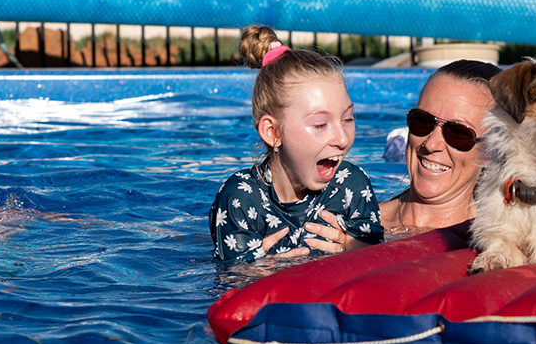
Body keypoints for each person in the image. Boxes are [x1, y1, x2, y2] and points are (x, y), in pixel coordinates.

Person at [209, 26, 384, 263]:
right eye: (321, 124)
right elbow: (228, 286)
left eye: (348, 119)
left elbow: (382, 263)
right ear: (273, 132)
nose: (342, 139)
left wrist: (354, 248)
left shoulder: (351, 186)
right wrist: (256, 271)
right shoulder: (241, 198)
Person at [379, 60, 501, 236]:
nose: (431, 144)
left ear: (491, 152)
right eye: (422, 121)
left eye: (458, 133)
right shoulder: (353, 226)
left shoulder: (493, 249)